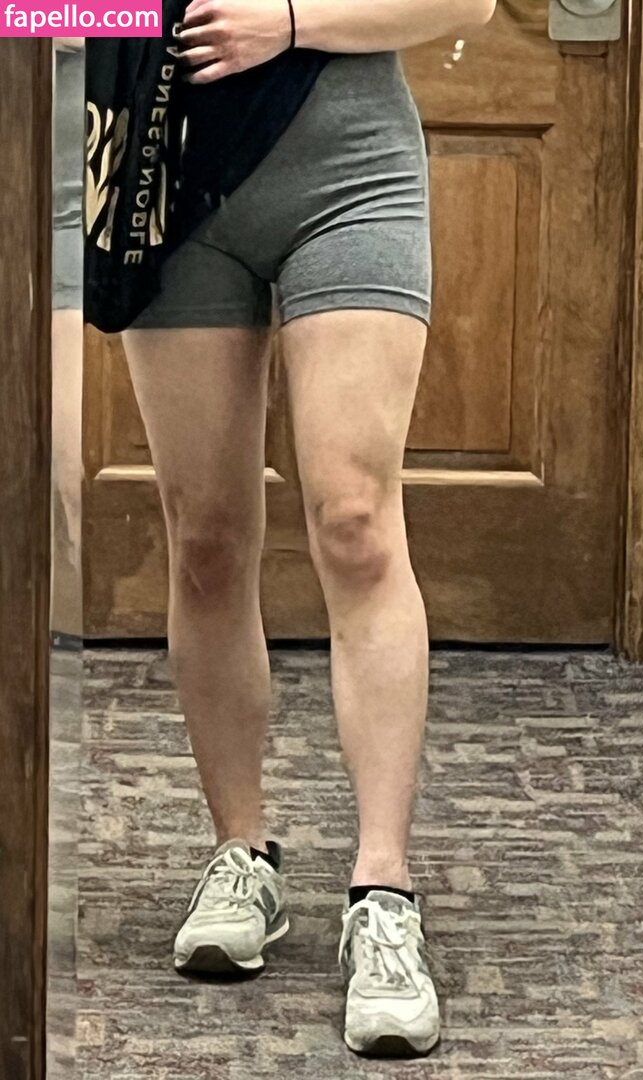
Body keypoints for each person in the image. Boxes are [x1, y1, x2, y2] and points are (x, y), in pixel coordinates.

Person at [111, 0, 497, 1058]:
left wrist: (287, 22)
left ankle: (383, 890)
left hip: (347, 168)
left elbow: (467, 3)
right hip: (169, 177)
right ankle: (240, 855)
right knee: (204, 535)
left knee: (356, 518)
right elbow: (38, 13)